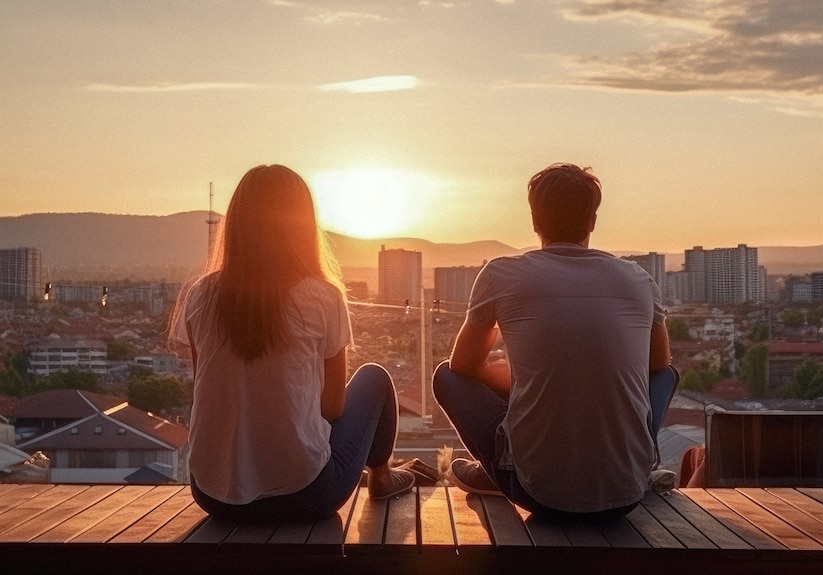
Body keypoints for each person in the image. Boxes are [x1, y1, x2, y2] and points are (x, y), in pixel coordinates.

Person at [433, 163, 676, 522]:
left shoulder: (502, 274)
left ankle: (496, 469)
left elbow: (462, 366)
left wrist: (522, 386)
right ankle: (635, 462)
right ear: (592, 220)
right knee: (667, 375)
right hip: (627, 495)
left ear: (534, 220)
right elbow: (659, 365)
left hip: (537, 495)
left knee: (445, 377)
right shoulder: (637, 279)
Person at [169, 164, 413, 522]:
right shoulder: (322, 296)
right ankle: (382, 476)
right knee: (374, 378)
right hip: (303, 496)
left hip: (212, 494)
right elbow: (331, 406)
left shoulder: (200, 296)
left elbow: (207, 387)